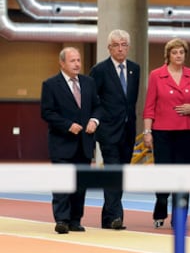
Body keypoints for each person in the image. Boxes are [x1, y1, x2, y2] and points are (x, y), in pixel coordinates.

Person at [142, 38, 190, 229]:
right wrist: (147, 131)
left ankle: (180, 216)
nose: (178, 56)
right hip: (162, 133)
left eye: (182, 52)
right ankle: (160, 209)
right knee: (164, 175)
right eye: (175, 52)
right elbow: (149, 106)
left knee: (183, 176)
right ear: (168, 55)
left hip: (186, 132)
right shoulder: (156, 75)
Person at [41, 47, 102, 234]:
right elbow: (47, 112)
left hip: (84, 144)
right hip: (62, 144)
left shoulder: (89, 82)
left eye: (78, 60)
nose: (77, 64)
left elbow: (98, 107)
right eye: (72, 60)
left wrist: (94, 120)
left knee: (80, 185)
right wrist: (67, 125)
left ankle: (75, 220)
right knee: (62, 184)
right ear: (62, 63)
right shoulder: (50, 84)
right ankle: (61, 220)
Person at [90, 29, 140, 230]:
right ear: (109, 48)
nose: (120, 49)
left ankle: (107, 216)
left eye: (124, 45)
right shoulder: (99, 70)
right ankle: (116, 217)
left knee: (121, 174)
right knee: (112, 171)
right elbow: (95, 100)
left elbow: (131, 101)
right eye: (116, 45)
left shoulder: (135, 69)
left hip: (128, 131)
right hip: (109, 131)